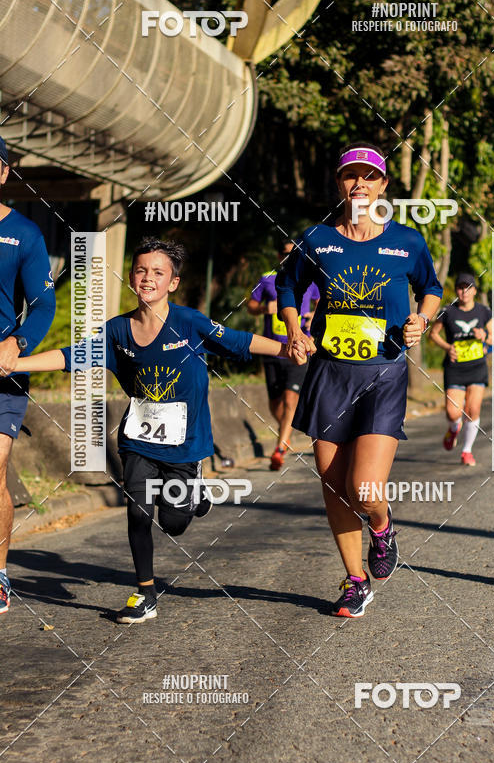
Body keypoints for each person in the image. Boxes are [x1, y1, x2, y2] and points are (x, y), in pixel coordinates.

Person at [10, 237, 299, 624]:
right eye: (141, 270)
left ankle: (194, 494)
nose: (148, 278)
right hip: (138, 440)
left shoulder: (189, 323)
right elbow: (71, 356)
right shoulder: (117, 331)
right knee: (138, 512)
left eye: (158, 273)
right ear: (132, 276)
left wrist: (287, 348)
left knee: (174, 525)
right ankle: (145, 594)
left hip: (186, 443)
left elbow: (240, 342)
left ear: (173, 283)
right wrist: (18, 364)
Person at [276, 141, 443, 618]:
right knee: (333, 484)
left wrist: (422, 320)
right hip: (330, 372)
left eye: (369, 177)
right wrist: (294, 325)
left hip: (383, 374)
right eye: (351, 176)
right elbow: (288, 284)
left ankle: (383, 525)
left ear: (384, 186)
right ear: (340, 184)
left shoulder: (406, 241)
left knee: (365, 488)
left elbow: (430, 287)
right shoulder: (317, 240)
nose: (360, 184)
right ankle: (355, 581)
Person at [0, 136, 56, 615]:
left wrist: (16, 343)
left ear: (3, 173)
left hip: (3, 370)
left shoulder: (25, 234)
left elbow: (42, 305)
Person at [247, 240, 319, 470]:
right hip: (273, 349)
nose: (288, 256)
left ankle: (279, 448)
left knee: (290, 400)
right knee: (275, 404)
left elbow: (324, 304)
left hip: (299, 349)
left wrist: (313, 317)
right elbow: (250, 305)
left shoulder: (312, 280)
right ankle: (286, 431)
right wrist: (263, 309)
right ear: (279, 255)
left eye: (293, 253)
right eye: (284, 252)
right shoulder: (267, 278)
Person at [429, 273, 494, 467]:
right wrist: (448, 347)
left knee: (472, 410)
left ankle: (467, 451)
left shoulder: (484, 312)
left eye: (468, 288)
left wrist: (485, 335)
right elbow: (433, 334)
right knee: (453, 412)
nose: (463, 292)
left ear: (474, 291)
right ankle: (453, 428)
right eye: (460, 287)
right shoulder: (448, 311)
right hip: (455, 368)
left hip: (477, 367)